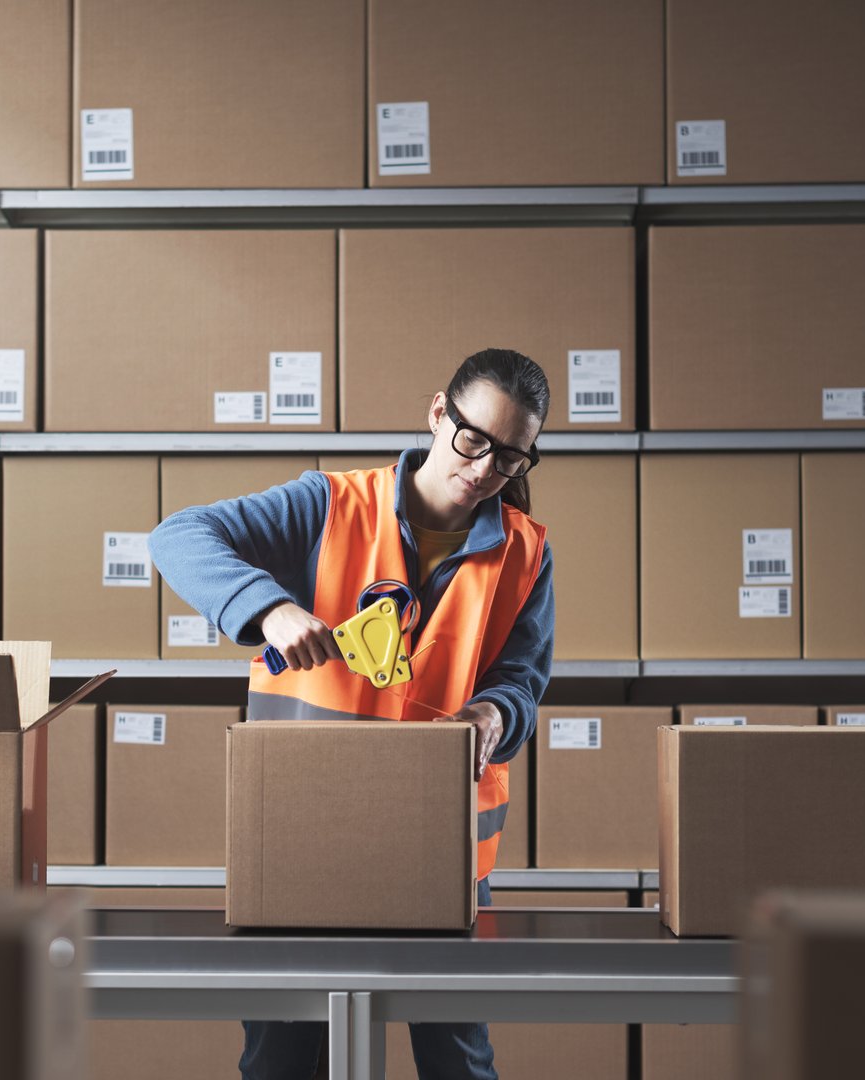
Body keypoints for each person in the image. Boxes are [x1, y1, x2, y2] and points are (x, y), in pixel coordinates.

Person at [149, 348, 556, 1080]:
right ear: (438, 413)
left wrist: (493, 718)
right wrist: (268, 609)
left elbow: (522, 678)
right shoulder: (330, 506)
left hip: (445, 848)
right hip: (304, 842)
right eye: (473, 439)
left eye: (511, 457)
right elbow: (177, 536)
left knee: (459, 1065)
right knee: (282, 1062)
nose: (485, 468)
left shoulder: (525, 554)